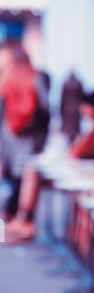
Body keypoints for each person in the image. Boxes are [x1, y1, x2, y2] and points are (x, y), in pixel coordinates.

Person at [5, 91, 94, 241]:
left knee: (33, 172)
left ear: (93, 108)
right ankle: (23, 218)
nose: (81, 110)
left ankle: (25, 220)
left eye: (84, 107)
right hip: (89, 172)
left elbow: (75, 153)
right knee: (33, 171)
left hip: (91, 175)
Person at [0, 43, 49, 220]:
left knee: (20, 181)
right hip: (23, 142)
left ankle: (17, 220)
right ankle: (17, 219)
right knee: (19, 181)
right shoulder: (35, 79)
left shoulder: (7, 82)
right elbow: (45, 113)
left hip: (17, 141)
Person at [60, 72, 83, 142]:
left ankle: (71, 143)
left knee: (70, 128)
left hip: (68, 109)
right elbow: (81, 97)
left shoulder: (66, 84)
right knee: (73, 129)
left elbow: (62, 98)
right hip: (75, 108)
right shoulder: (78, 84)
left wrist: (61, 110)